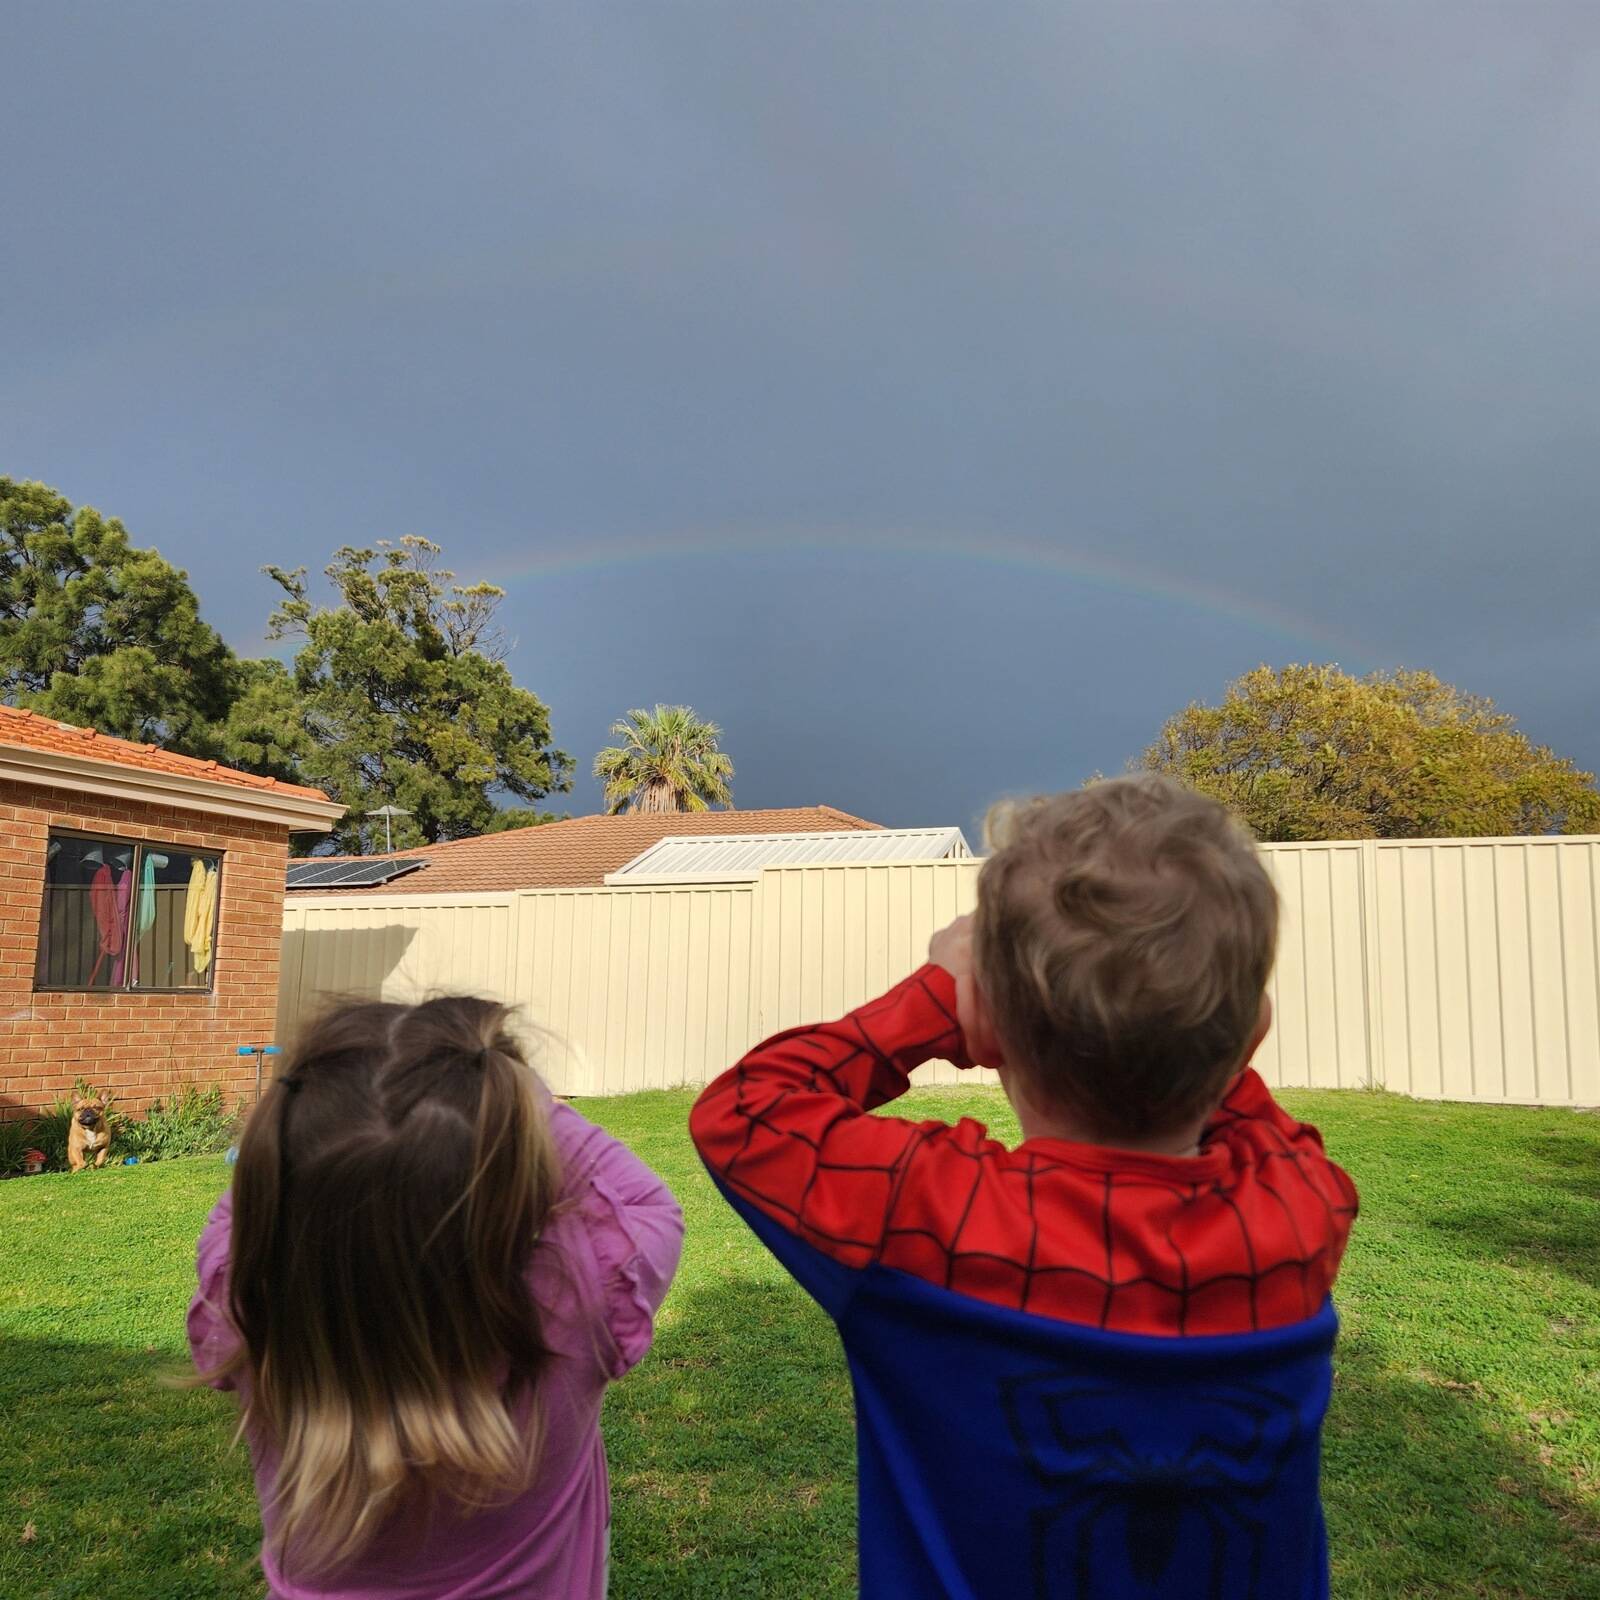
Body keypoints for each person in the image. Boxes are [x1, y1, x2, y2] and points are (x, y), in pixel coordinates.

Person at [691, 774, 1359, 1600]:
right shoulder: (1300, 1207)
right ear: (1253, 1032)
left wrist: (937, 995)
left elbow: (748, 1109)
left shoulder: (927, 1220)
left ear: (991, 1027)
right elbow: (1243, 1088)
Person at [187, 995, 683, 1600]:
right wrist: (520, 1095)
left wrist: (302, 1112)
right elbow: (649, 1205)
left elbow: (247, 1208)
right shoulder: (571, 1301)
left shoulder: (249, 1309)